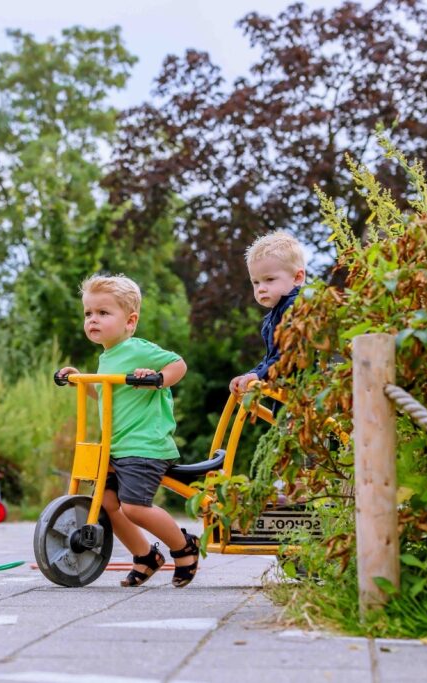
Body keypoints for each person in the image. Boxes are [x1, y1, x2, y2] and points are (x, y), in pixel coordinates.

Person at [57, 274, 199, 588]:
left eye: (103, 313)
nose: (93, 319)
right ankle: (145, 555)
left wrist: (158, 377)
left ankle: (183, 546)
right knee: (107, 504)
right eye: (88, 313)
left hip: (143, 444)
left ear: (130, 321)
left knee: (134, 507)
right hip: (115, 446)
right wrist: (81, 380)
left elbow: (178, 364)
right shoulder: (107, 357)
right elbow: (109, 395)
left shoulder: (137, 349)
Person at [229, 230, 306, 398]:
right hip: (288, 404)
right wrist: (251, 374)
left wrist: (260, 376)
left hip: (304, 402)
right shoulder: (273, 317)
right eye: (255, 282)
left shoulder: (296, 309)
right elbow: (272, 358)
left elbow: (291, 355)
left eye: (269, 279)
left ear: (298, 277)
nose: (261, 288)